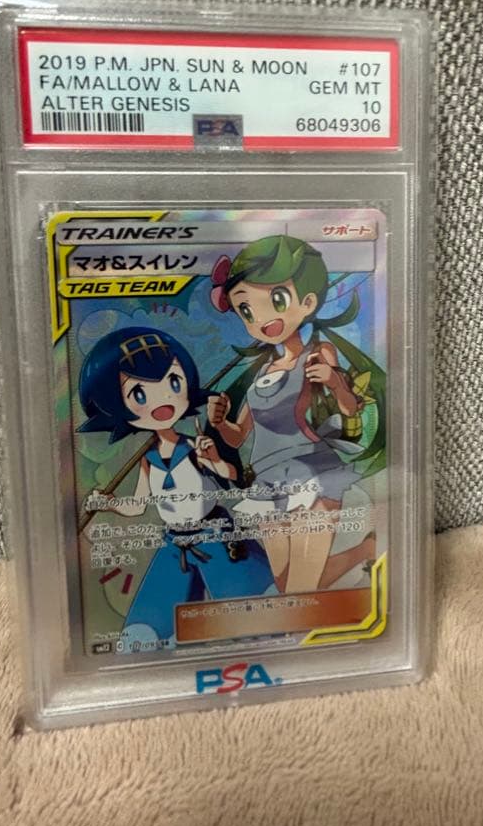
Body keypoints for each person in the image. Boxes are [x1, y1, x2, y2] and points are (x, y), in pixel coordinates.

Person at [207, 235, 384, 593]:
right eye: (247, 310)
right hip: (266, 481)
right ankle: (365, 550)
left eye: (277, 300)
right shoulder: (262, 372)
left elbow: (351, 408)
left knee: (300, 589)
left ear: (308, 302)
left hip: (310, 471)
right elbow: (239, 437)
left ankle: (364, 553)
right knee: (286, 582)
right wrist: (219, 423)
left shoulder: (318, 353)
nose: (262, 319)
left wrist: (334, 381)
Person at [79, 326, 273, 650]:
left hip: (215, 536)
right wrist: (107, 503)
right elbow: (138, 505)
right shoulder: (148, 459)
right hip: (175, 545)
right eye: (139, 394)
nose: (163, 400)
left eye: (173, 382)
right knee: (151, 629)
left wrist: (212, 458)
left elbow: (230, 475)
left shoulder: (195, 446)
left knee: (253, 614)